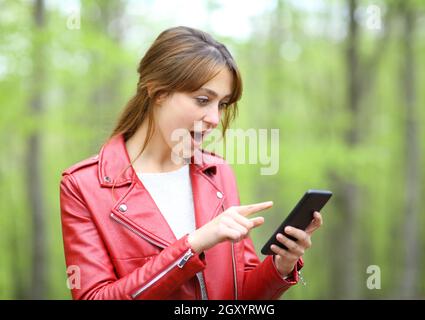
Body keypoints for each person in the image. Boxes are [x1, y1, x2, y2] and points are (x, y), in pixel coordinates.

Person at [59, 26, 323, 300]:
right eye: (202, 100)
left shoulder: (218, 173)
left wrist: (281, 265)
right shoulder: (83, 186)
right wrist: (193, 244)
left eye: (222, 104)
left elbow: (239, 296)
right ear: (158, 92)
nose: (214, 118)